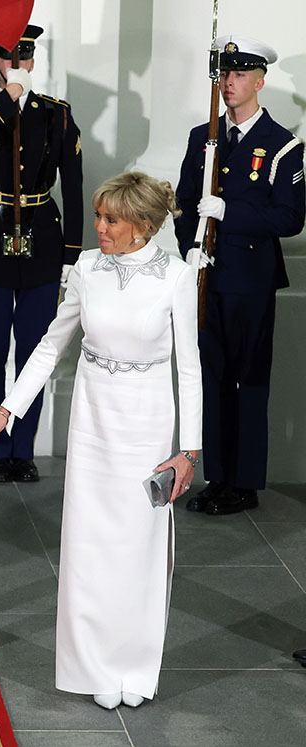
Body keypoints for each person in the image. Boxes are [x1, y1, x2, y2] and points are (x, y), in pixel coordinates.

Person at [0, 172, 202, 709]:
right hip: (93, 420)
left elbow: (191, 369)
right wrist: (6, 410)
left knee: (138, 547)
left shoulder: (177, 276)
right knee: (89, 545)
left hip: (148, 426)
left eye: (110, 219)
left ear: (143, 227)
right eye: (99, 216)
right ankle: (92, 668)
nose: (98, 227)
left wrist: (189, 450)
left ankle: (133, 666)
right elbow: (49, 345)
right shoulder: (85, 267)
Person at [175, 35, 305, 516]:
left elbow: (290, 218)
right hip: (207, 275)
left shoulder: (282, 144)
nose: (229, 83)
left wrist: (231, 211)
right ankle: (217, 476)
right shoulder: (202, 137)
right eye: (225, 74)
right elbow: (185, 200)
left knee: (248, 380)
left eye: (240, 75)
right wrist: (191, 246)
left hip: (250, 280)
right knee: (211, 378)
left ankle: (245, 482)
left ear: (260, 81)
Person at [0, 23, 83, 484]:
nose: (16, 65)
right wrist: (7, 97)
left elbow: (73, 184)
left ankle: (21, 450)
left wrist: (72, 254)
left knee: (34, 350)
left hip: (42, 241)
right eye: (7, 58)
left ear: (32, 60)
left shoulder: (56, 115)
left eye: (23, 57)